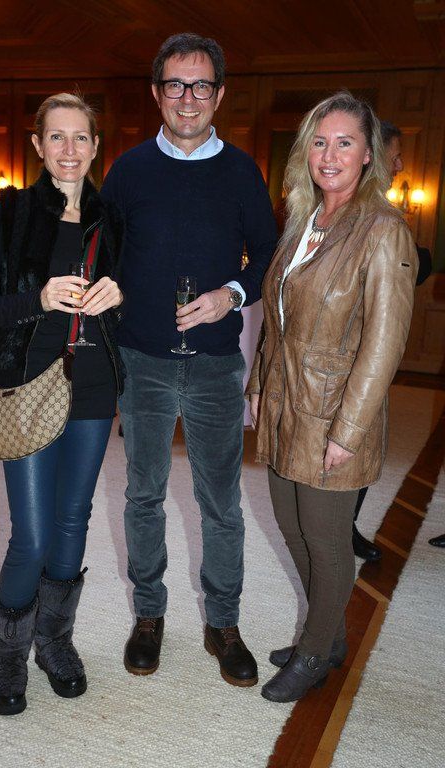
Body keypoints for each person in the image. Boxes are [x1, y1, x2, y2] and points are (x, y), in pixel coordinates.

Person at [100, 33, 277, 687]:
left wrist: (231, 295)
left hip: (214, 365)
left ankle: (223, 623)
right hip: (142, 360)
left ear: (219, 95)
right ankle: (149, 616)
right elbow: (105, 257)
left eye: (201, 85)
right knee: (143, 495)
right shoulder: (128, 171)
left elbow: (268, 256)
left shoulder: (242, 173)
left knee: (221, 503)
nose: (188, 98)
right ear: (157, 93)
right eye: (175, 84)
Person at [247, 91, 417, 703]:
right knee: (291, 529)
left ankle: (316, 651)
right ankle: (331, 633)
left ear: (369, 155)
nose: (329, 154)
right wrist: (259, 386)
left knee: (325, 540)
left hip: (335, 412)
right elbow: (276, 319)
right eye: (319, 142)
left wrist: (349, 429)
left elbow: (385, 344)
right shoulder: (302, 221)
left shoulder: (384, 231)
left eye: (345, 142)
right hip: (285, 404)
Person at [0, 92, 124, 716]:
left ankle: (54, 641)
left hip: (93, 384)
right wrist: (40, 297)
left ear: (96, 145)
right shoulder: (12, 213)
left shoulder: (112, 218)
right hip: (26, 385)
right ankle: (6, 654)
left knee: (72, 522)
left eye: (81, 137)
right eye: (56, 136)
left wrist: (119, 295)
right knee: (31, 537)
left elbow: (134, 300)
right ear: (37, 145)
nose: (69, 149)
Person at [352, 119, 432, 561]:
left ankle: (344, 525)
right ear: (374, 156)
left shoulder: (382, 211)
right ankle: (341, 529)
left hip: (370, 341)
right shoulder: (367, 213)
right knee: (361, 440)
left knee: (366, 441)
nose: (400, 166)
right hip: (358, 346)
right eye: (396, 156)